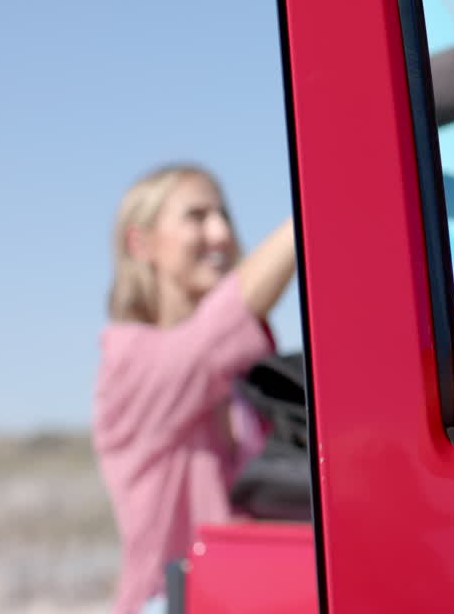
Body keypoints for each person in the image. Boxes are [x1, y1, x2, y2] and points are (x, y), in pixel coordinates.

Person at [94, 164, 296, 614]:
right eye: (197, 216)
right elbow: (211, 338)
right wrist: (313, 209)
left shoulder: (240, 382)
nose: (221, 232)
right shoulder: (128, 362)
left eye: (224, 216)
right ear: (140, 243)